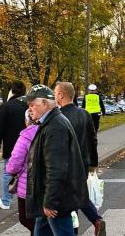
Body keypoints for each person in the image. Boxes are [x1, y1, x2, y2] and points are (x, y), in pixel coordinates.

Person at [25, 84, 89, 236]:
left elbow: (56, 168)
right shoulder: (51, 122)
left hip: (57, 199)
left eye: (33, 105)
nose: (30, 109)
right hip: (51, 196)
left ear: (45, 104)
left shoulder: (54, 127)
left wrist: (51, 201)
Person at [54, 82, 106, 236]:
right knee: (77, 193)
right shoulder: (84, 114)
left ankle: (74, 230)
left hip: (66, 164)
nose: (55, 96)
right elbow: (93, 139)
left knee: (69, 199)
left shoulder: (59, 116)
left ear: (62, 95)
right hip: (83, 162)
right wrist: (93, 163)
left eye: (56, 93)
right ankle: (95, 220)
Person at [0, 81, 28, 210]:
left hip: (11, 146)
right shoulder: (29, 106)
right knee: (27, 172)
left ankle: (6, 200)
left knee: (8, 172)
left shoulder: (6, 107)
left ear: (11, 91)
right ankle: (27, 200)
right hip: (29, 145)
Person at [6, 110, 38, 235]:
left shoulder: (26, 136)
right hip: (46, 184)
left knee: (26, 218)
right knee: (38, 219)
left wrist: (11, 170)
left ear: (27, 120)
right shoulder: (49, 132)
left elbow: (15, 162)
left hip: (27, 186)